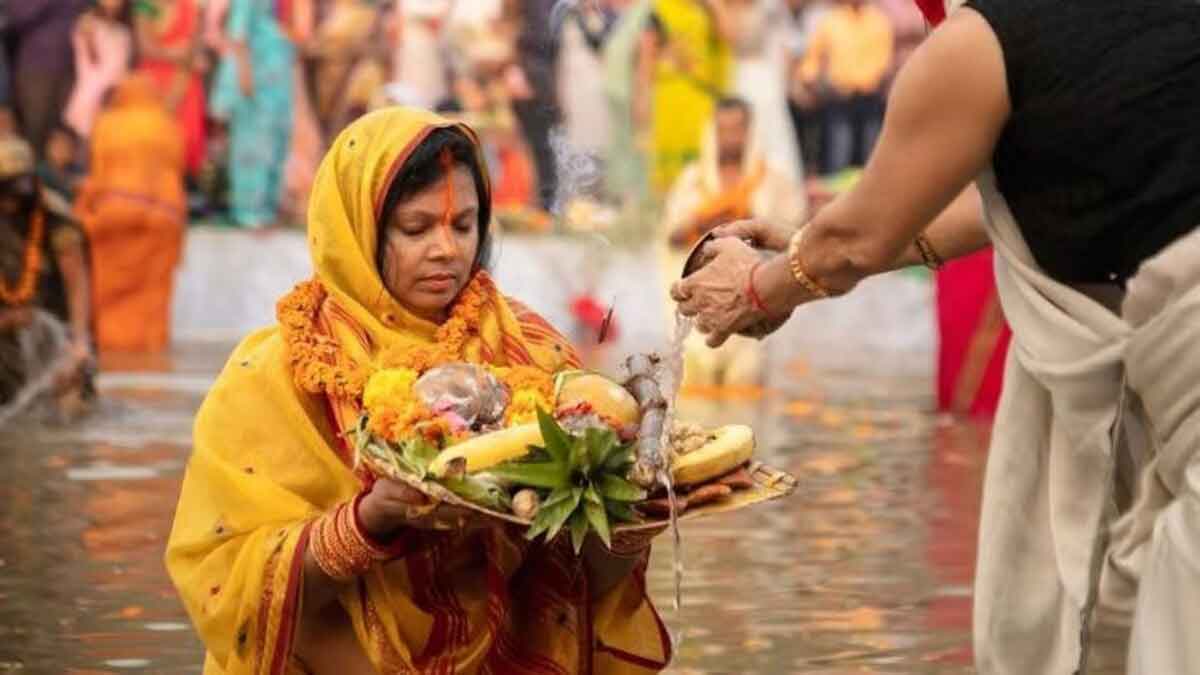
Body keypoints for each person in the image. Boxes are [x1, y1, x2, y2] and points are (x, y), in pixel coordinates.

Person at [674, 0, 1200, 672]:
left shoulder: (976, 47)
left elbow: (857, 241)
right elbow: (998, 204)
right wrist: (806, 250)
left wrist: (758, 287)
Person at [165, 108, 672, 674]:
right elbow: (228, 579)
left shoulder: (529, 351)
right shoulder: (281, 372)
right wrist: (366, 522)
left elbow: (582, 578)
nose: (447, 251)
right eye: (416, 228)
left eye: (463, 226)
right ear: (359, 231)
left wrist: (629, 511)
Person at [664, 97, 805, 389]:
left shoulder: (773, 179)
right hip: (702, 297)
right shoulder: (692, 180)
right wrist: (703, 224)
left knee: (746, 384)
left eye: (737, 129)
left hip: (755, 296)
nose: (730, 138)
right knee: (694, 389)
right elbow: (671, 235)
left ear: (749, 131)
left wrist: (749, 224)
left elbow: (794, 232)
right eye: (722, 129)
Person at [75, 75, 186, 353]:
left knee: (111, 289)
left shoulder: (108, 124)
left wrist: (83, 207)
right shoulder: (166, 125)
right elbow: (176, 171)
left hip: (114, 213)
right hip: (163, 217)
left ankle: (114, 347)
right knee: (153, 291)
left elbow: (98, 173)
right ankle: (149, 346)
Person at [0, 135, 94, 415]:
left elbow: (76, 283)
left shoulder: (54, 218)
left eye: (18, 187)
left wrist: (79, 342)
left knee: (69, 404)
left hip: (51, 331)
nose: (11, 200)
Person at [209, 0, 295, 228]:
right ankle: (248, 213)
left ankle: (267, 210)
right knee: (252, 147)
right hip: (255, 84)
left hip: (275, 87)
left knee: (273, 145)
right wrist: (244, 76)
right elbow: (238, 37)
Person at [638, 0, 733, 193]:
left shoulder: (707, 7)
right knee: (671, 172)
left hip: (702, 94)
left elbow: (728, 37)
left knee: (704, 162)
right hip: (669, 93)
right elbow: (647, 55)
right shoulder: (659, 9)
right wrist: (642, 103)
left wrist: (715, 7)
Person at [798, 0, 893, 174]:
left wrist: (870, 81)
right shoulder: (831, 21)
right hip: (838, 98)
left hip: (870, 98)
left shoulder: (878, 20)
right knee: (838, 152)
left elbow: (884, 59)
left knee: (871, 153)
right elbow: (813, 59)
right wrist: (813, 82)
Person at [726, 0, 802, 182]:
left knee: (771, 137)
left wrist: (790, 82)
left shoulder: (769, 6)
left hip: (763, 81)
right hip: (735, 77)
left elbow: (790, 43)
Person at [5, 0, 92, 154]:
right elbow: (16, 16)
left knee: (66, 139)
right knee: (35, 136)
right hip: (37, 69)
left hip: (75, 71)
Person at [136, 0, 209, 177]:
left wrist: (198, 59)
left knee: (183, 150)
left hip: (186, 84)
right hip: (155, 85)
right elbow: (144, 47)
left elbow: (197, 49)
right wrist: (174, 53)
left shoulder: (192, 6)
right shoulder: (146, 5)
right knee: (153, 150)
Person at [64, 0, 134, 140]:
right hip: (91, 98)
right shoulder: (87, 25)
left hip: (118, 100)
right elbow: (92, 59)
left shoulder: (124, 33)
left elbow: (124, 66)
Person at [37, 125, 85, 203]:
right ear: (48, 147)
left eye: (67, 145)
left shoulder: (78, 172)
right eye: (57, 145)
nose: (61, 149)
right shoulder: (40, 173)